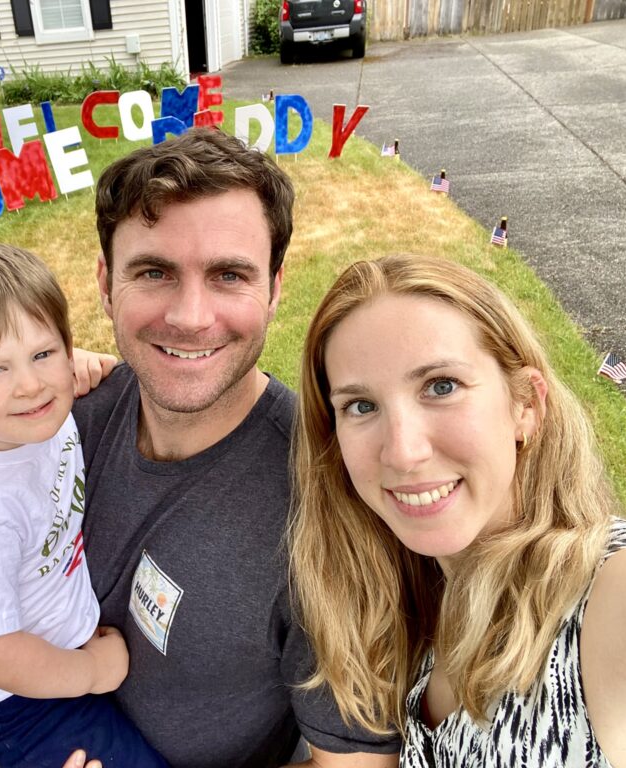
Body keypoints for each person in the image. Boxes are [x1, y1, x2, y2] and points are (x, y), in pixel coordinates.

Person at [67, 128, 400, 768]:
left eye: (228, 275)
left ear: (274, 289)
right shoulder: (68, 422)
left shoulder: (329, 506)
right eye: (155, 271)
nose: (191, 317)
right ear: (106, 283)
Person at [291, 253, 626, 766]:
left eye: (441, 386)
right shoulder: (417, 609)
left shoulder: (614, 602)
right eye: (361, 406)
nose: (402, 451)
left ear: (526, 404)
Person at [0, 242, 167, 768]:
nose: (30, 384)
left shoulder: (26, 418)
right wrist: (89, 671)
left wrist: (79, 365)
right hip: (19, 703)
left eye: (43, 354)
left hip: (60, 650)